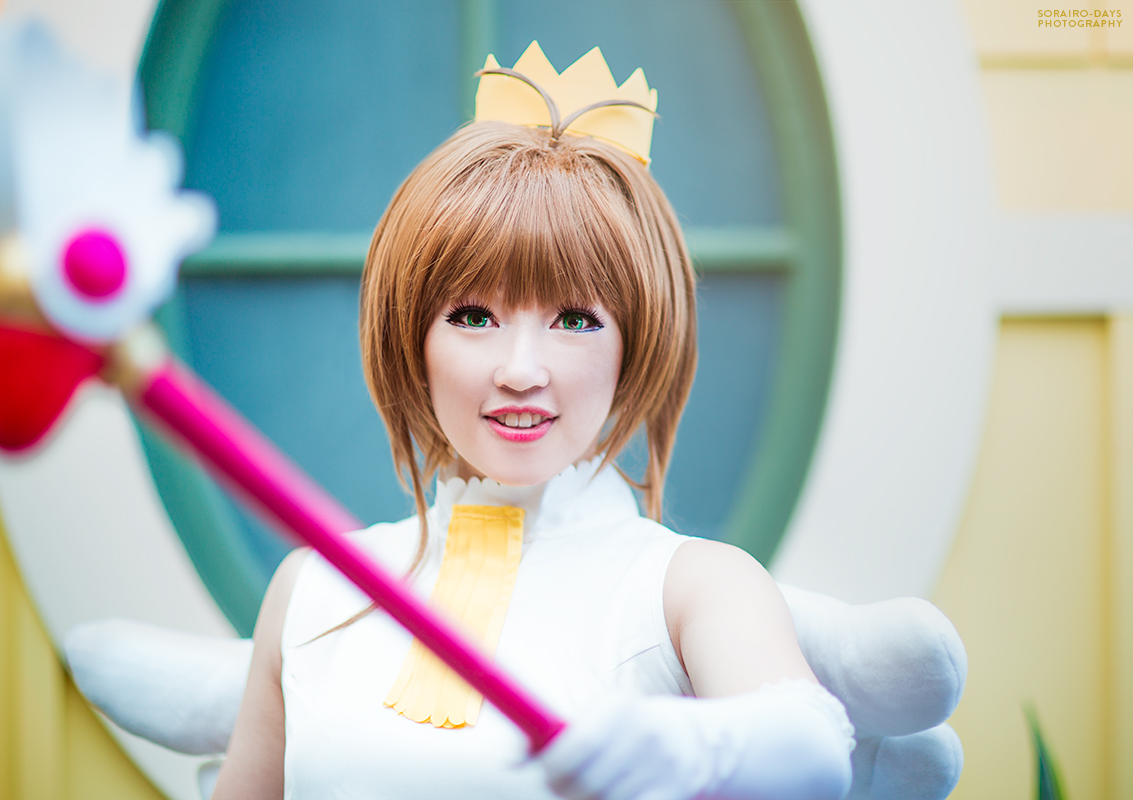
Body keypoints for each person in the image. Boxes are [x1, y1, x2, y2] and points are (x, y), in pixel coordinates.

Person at [211, 45, 855, 800]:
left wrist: (700, 746)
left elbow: (816, 749)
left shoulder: (688, 588)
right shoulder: (312, 588)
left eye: (575, 319)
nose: (520, 369)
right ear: (411, 336)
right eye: (473, 316)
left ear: (638, 342)